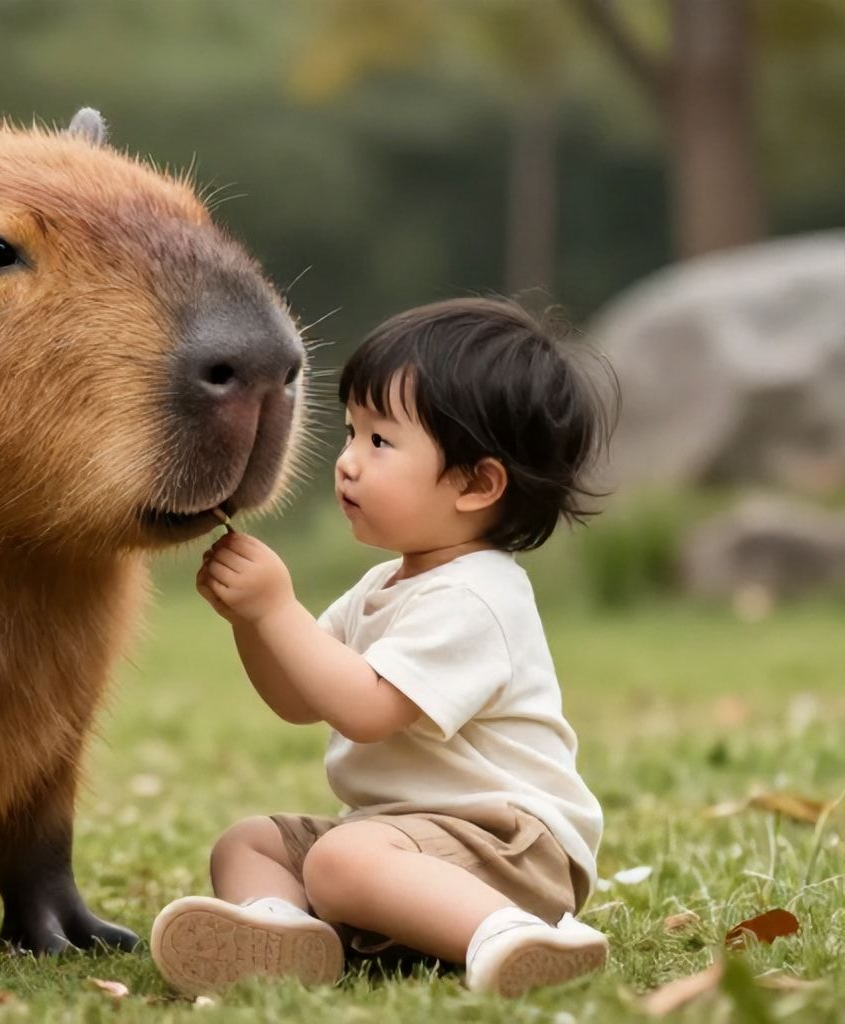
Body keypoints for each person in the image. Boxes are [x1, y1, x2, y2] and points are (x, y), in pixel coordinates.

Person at [150, 298, 615, 998]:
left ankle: (513, 936)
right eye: (350, 433)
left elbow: (366, 710)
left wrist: (279, 607)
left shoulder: (475, 596)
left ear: (476, 483)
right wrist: (253, 622)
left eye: (380, 443)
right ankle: (280, 933)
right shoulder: (385, 585)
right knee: (247, 842)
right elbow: (301, 699)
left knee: (342, 860)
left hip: (511, 847)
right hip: (404, 838)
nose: (347, 464)